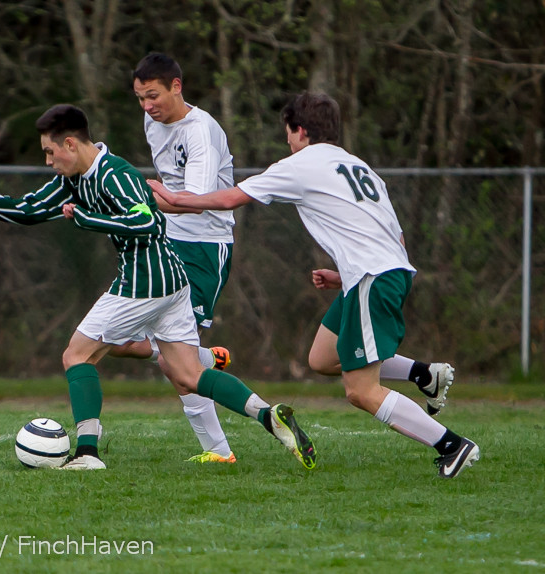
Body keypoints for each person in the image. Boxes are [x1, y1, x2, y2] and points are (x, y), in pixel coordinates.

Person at [0, 103, 317, 471]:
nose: (49, 162)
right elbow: (31, 209)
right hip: (171, 281)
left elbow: (148, 223)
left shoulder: (115, 175)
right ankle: (268, 416)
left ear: (70, 144)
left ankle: (87, 454)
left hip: (145, 280)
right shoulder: (74, 179)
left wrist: (88, 219)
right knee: (188, 374)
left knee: (76, 355)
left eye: (50, 152)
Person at [151, 92, 480, 478]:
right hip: (381, 272)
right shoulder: (360, 167)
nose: (287, 141)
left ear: (301, 130)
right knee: (323, 358)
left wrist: (176, 198)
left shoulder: (301, 163)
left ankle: (452, 445)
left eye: (288, 132)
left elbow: (231, 198)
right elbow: (396, 239)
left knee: (360, 390)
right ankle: (425, 375)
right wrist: (346, 276)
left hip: (373, 278)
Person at [105, 52, 238, 464]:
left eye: (153, 96)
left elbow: (194, 202)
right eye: (140, 98)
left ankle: (218, 453)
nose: (146, 106)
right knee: (115, 338)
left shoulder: (200, 132)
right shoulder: (153, 120)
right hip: (164, 237)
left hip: (203, 246)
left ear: (176, 87)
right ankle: (205, 357)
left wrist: (143, 195)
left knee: (176, 367)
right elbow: (168, 191)